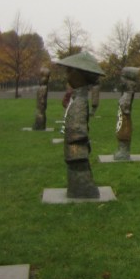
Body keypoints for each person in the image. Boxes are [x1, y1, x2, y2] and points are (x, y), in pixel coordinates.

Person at [56, 52, 104, 199]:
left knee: (80, 175)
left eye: (70, 71)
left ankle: (84, 191)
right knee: (77, 174)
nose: (67, 75)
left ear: (78, 75)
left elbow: (78, 129)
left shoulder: (80, 101)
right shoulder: (78, 98)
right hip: (76, 151)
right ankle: (79, 190)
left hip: (77, 151)